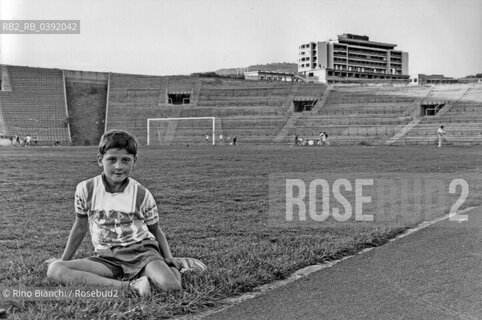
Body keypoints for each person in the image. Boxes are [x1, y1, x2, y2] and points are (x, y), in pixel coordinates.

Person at [46, 130, 183, 297]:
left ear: (135, 161)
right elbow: (80, 227)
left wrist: (168, 257)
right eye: (112, 160)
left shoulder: (142, 194)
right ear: (100, 160)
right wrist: (64, 260)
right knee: (56, 270)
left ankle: (169, 268)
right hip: (106, 258)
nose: (118, 166)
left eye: (125, 160)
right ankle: (131, 286)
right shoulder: (85, 189)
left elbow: (155, 230)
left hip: (141, 253)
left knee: (171, 287)